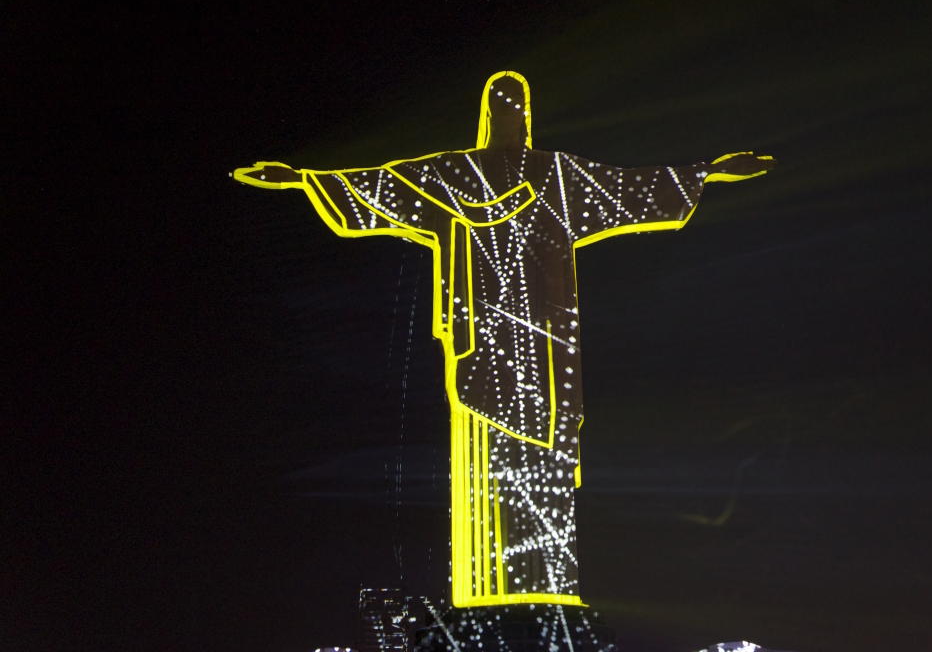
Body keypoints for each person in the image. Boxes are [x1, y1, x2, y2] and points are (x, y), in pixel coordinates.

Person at [234, 71, 774, 608]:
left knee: (545, 462)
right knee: (490, 463)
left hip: (545, 353)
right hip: (487, 351)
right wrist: (304, 177)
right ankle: (499, 597)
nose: (513, 114)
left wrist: (708, 172)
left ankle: (545, 594)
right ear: (491, 114)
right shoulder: (466, 173)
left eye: (517, 104)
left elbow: (630, 187)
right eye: (504, 104)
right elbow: (384, 185)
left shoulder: (551, 176)